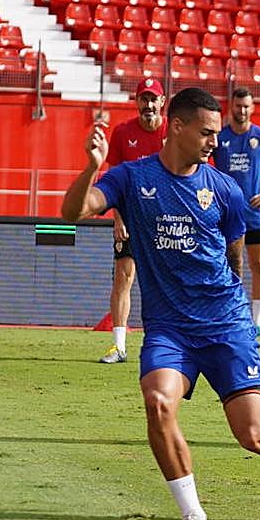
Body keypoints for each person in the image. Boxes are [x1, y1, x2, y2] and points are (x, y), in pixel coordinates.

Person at [60, 87, 260, 520]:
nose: (215, 140)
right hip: (170, 330)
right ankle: (195, 519)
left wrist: (233, 312)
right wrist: (93, 167)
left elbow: (235, 254)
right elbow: (71, 212)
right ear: (177, 127)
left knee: (255, 435)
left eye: (217, 132)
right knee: (158, 402)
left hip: (226, 326)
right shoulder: (132, 179)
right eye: (207, 131)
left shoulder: (224, 189)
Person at [212, 88, 260, 338]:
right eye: (238, 106)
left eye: (246, 106)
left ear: (252, 108)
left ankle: (258, 321)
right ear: (231, 107)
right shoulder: (219, 137)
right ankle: (230, 313)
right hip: (226, 215)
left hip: (255, 214)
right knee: (228, 265)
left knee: (257, 264)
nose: (242, 110)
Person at [99, 78, 167, 364]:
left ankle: (167, 347)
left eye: (153, 99)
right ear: (137, 101)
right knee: (123, 279)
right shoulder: (123, 132)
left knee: (167, 282)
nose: (148, 104)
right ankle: (119, 346)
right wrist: (118, 218)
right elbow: (115, 181)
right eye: (144, 98)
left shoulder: (174, 130)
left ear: (162, 103)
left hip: (165, 220)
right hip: (131, 219)